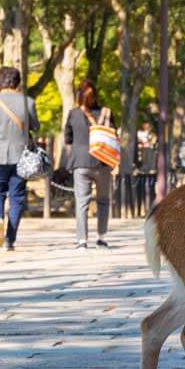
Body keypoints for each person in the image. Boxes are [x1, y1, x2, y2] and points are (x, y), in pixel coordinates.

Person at [0, 66, 39, 250]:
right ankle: (9, 240)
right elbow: (36, 127)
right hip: (21, 156)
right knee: (17, 198)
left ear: (0, 82)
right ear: (18, 82)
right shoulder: (28, 102)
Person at [65, 79, 115, 250]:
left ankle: (82, 240)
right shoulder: (106, 113)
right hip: (102, 161)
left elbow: (68, 138)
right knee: (103, 201)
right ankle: (101, 238)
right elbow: (113, 135)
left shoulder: (73, 114)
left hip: (80, 162)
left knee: (82, 202)